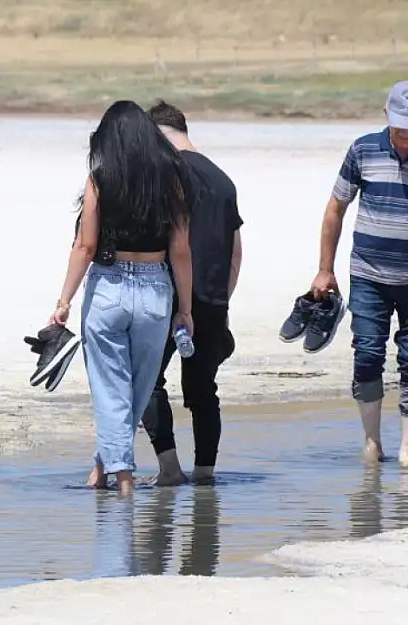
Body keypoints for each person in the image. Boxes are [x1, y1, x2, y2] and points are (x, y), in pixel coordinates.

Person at [310, 80, 408, 466]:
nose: (404, 134)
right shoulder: (363, 149)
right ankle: (371, 442)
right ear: (386, 114)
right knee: (366, 354)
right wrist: (324, 270)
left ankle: (407, 450)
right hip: (368, 273)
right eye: (399, 124)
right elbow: (336, 208)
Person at [49, 99, 194, 496]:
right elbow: (180, 250)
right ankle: (106, 469)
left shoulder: (100, 179)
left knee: (112, 388)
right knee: (137, 389)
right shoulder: (173, 179)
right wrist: (185, 308)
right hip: (154, 289)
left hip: (109, 288)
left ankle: (122, 482)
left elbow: (85, 246)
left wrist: (63, 302)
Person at [139, 100, 243, 486]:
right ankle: (205, 474)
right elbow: (235, 251)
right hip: (213, 300)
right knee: (203, 390)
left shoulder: (164, 175)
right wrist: (222, 299)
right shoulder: (223, 180)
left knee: (147, 380)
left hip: (167, 297)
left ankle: (169, 468)